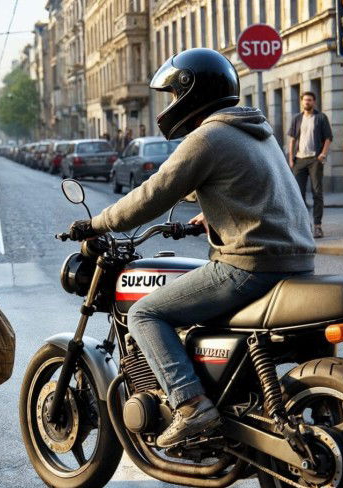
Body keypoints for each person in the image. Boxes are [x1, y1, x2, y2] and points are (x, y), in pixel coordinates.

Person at [68, 49, 315, 447]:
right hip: (296, 261)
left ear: (190, 93)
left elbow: (153, 195)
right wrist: (214, 216)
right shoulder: (256, 131)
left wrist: (97, 223)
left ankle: (191, 405)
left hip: (249, 267)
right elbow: (264, 193)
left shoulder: (208, 137)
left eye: (172, 96)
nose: (169, 106)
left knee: (146, 313)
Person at [287, 91, 333, 238]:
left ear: (314, 102)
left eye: (310, 100)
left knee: (317, 192)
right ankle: (302, 226)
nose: (307, 102)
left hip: (315, 159)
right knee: (297, 194)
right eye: (305, 100)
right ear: (302, 102)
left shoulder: (321, 117)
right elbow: (292, 139)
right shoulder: (297, 118)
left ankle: (317, 226)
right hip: (299, 160)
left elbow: (328, 138)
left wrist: (323, 154)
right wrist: (291, 158)